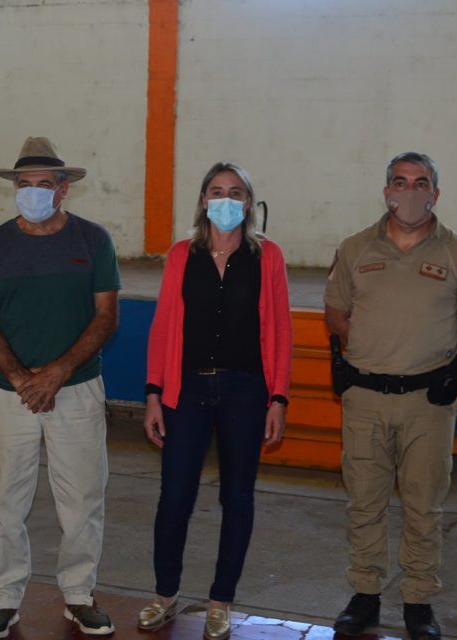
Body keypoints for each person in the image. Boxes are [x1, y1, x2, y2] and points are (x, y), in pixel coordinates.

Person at [323, 152, 457, 640]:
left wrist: (447, 362)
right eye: (400, 182)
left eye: (421, 183)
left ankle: (418, 600)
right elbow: (336, 314)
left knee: (424, 505)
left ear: (436, 193)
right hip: (365, 399)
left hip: (427, 404)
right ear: (386, 191)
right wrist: (373, 351)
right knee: (365, 501)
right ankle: (365, 595)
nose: (410, 192)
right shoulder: (354, 248)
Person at [0, 136, 121, 638]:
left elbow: (105, 317)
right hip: (8, 392)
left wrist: (56, 372)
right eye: (24, 184)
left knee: (81, 499)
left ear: (63, 190)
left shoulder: (93, 241)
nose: (33, 192)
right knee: (5, 500)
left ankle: (78, 595)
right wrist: (19, 378)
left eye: (44, 184)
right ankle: (5, 596)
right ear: (14, 187)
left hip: (76, 390)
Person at [138, 162, 292, 640]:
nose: (226, 199)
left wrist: (278, 398)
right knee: (175, 498)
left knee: (238, 498)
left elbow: (280, 330)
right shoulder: (182, 254)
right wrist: (154, 393)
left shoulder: (267, 256)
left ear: (249, 202)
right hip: (187, 391)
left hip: (246, 392)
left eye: (236, 192)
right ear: (203, 199)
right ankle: (166, 595)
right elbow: (164, 325)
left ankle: (221, 601)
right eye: (217, 190)